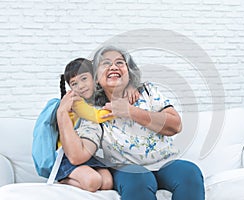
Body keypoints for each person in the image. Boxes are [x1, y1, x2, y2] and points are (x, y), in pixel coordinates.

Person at [69, 45, 205, 199]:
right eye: (105, 63)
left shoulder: (147, 92)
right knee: (139, 178)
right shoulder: (93, 110)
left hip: (166, 163)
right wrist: (63, 114)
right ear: (96, 78)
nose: (113, 66)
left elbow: (175, 125)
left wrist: (130, 111)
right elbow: (80, 153)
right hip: (127, 169)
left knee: (190, 172)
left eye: (120, 62)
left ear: (129, 71)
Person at [56, 58, 139, 192]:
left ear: (95, 79)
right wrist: (121, 108)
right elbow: (96, 115)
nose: (80, 86)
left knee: (107, 183)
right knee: (93, 182)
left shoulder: (96, 100)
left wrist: (129, 87)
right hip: (68, 155)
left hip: (90, 155)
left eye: (84, 79)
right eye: (74, 83)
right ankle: (63, 179)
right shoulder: (76, 101)